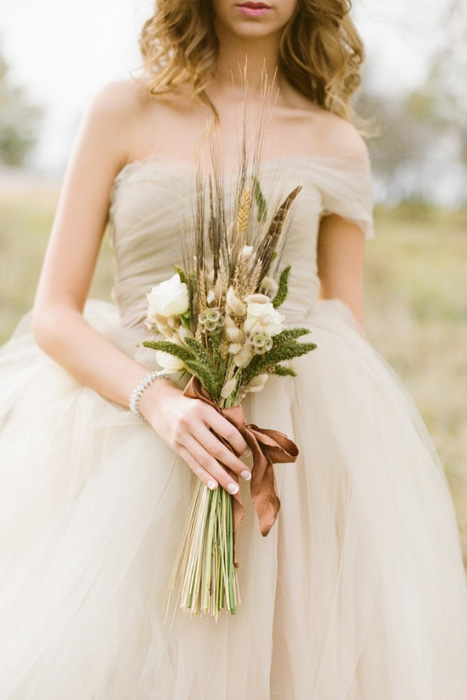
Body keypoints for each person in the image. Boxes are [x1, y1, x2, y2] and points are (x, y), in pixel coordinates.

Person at [0, 0, 466, 698]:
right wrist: (157, 403)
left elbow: (345, 323)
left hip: (290, 445)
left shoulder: (335, 141)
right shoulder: (121, 112)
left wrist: (349, 482)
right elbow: (54, 315)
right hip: (128, 429)